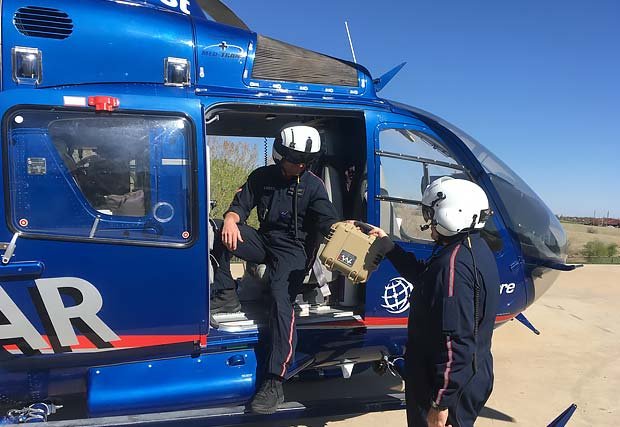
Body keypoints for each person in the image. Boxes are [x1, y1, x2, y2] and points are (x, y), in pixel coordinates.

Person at [210, 124, 339, 414]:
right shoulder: (261, 177)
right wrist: (231, 220)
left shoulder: (314, 185)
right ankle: (225, 293)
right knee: (215, 229)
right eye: (296, 160)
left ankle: (275, 380)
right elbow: (239, 207)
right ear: (280, 155)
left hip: (294, 252)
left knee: (281, 302)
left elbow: (327, 221)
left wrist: (341, 231)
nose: (301, 165)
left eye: (307, 161)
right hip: (265, 241)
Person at [368, 177, 500, 427]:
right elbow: (426, 277)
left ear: (451, 215)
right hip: (468, 377)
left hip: (445, 387)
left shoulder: (454, 267)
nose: (429, 223)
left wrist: (440, 404)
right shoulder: (470, 249)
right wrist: (390, 247)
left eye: (432, 215)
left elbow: (456, 343)